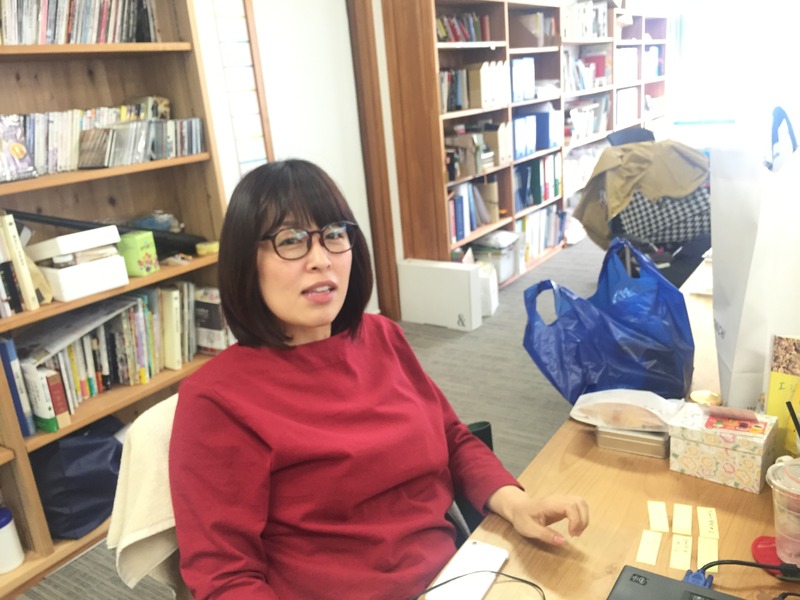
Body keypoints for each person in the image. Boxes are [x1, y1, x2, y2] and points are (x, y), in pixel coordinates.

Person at [169, 159, 589, 599]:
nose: (321, 260)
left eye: (334, 234)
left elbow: (452, 438)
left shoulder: (382, 336)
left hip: (459, 577)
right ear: (245, 262)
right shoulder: (216, 400)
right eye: (290, 240)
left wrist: (518, 504)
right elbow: (225, 579)